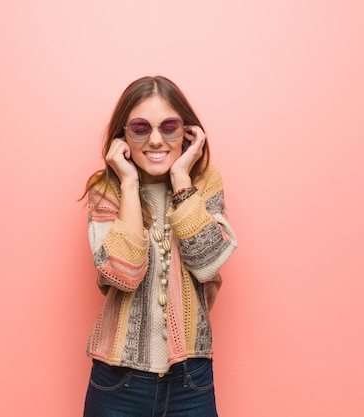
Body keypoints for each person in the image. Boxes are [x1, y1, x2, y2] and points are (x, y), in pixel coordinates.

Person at [81, 75, 237, 417]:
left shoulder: (204, 182)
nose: (155, 140)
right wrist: (129, 180)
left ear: (187, 132)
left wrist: (182, 179)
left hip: (191, 380)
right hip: (117, 381)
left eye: (169, 127)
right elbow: (124, 273)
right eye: (140, 128)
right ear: (123, 136)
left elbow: (208, 261)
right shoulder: (107, 188)